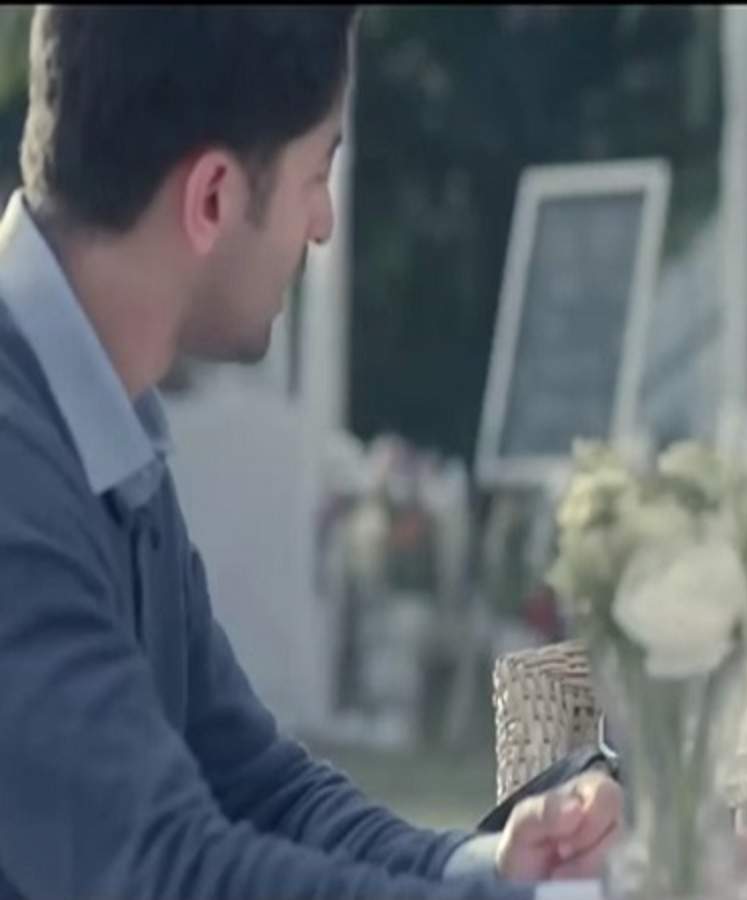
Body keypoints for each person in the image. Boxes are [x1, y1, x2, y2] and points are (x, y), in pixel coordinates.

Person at [0, 7, 624, 899]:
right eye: (316, 172)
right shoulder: (18, 464)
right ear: (212, 199)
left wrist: (487, 872)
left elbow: (254, 788)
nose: (324, 223)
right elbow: (165, 874)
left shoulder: (97, 422)